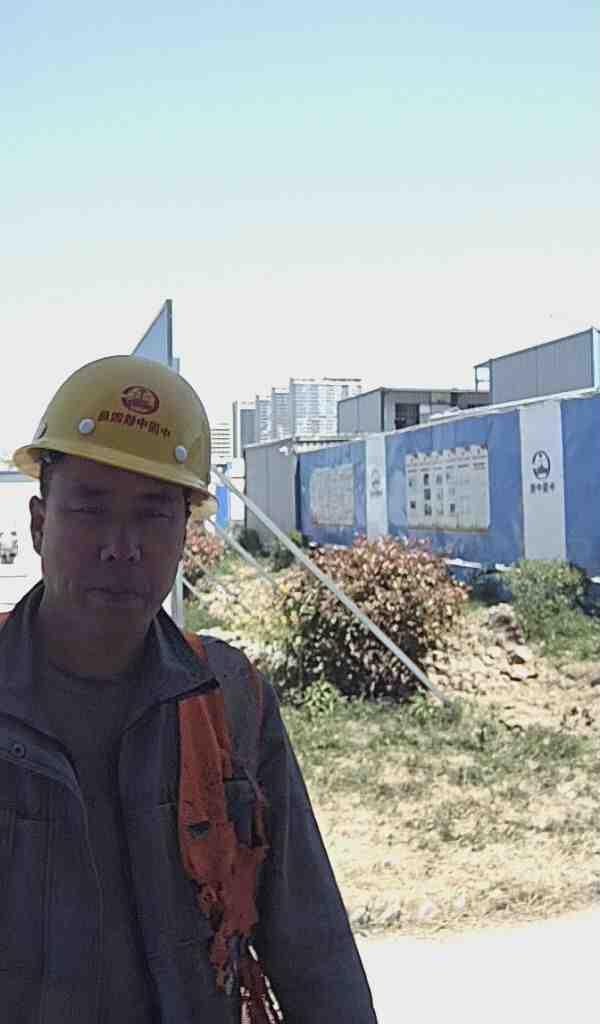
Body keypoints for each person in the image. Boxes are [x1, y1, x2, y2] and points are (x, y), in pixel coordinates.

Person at [1, 354, 377, 1023]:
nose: (121, 546)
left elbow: (313, 951)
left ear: (183, 536)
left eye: (153, 515)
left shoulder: (230, 699)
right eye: (89, 508)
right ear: (38, 524)